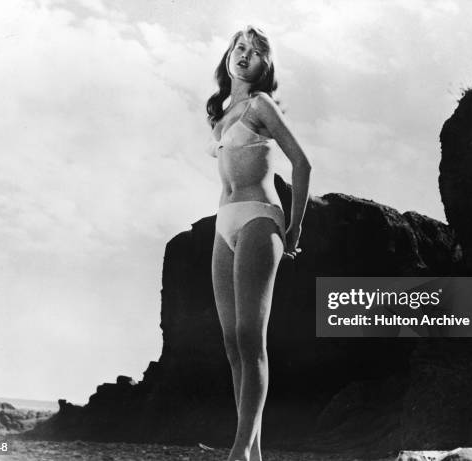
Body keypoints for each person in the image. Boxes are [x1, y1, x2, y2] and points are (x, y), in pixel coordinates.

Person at [206, 25, 311, 461]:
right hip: (223, 224)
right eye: (239, 47)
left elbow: (302, 163)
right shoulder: (219, 113)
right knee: (232, 346)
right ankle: (254, 455)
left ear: (266, 64)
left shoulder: (261, 104)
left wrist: (296, 227)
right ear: (229, 56)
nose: (244, 55)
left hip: (259, 218)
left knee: (251, 339)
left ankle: (237, 451)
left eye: (255, 51)